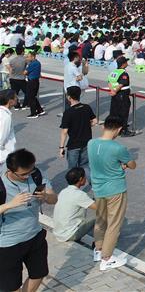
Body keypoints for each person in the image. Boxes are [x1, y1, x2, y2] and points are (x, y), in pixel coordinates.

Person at [0, 149, 57, 292]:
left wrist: (45, 196)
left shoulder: (35, 175)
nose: (27, 176)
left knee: (39, 273)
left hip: (35, 236)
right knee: (11, 286)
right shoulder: (1, 185)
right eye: (23, 174)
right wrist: (10, 204)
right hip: (8, 243)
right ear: (10, 171)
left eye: (30, 172)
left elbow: (54, 198)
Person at [88, 116, 136, 271]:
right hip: (115, 189)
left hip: (98, 188)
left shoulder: (91, 143)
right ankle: (107, 258)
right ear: (119, 129)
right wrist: (122, 166)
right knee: (114, 223)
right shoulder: (117, 148)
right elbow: (132, 165)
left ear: (104, 126)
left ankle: (98, 249)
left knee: (100, 220)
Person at [51, 167, 95, 244]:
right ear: (81, 179)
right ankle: (99, 243)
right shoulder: (79, 195)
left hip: (58, 232)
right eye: (85, 177)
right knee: (100, 216)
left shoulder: (63, 191)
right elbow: (99, 207)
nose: (86, 179)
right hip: (69, 235)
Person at [59, 86, 97, 173]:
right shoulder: (87, 107)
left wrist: (61, 147)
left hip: (74, 145)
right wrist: (86, 125)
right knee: (85, 166)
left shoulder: (68, 112)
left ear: (69, 97)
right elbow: (95, 121)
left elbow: (64, 131)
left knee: (72, 169)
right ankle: (93, 184)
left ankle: (73, 185)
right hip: (86, 143)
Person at [108, 56, 136, 137]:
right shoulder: (124, 73)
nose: (127, 63)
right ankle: (123, 130)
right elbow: (121, 84)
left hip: (115, 95)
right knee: (123, 113)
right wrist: (115, 91)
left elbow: (109, 82)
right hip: (122, 95)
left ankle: (115, 128)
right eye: (126, 62)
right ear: (123, 64)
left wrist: (112, 91)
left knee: (115, 112)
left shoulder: (114, 72)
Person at [23, 51, 44, 118]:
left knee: (30, 97)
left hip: (32, 82)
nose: (27, 58)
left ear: (33, 56)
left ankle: (33, 113)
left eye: (28, 57)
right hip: (35, 81)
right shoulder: (37, 63)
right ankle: (40, 110)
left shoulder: (33, 64)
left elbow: (25, 72)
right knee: (33, 96)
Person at [7, 46, 27, 110]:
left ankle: (16, 106)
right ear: (22, 52)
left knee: (15, 93)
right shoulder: (25, 60)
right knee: (27, 92)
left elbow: (11, 70)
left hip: (13, 78)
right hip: (21, 78)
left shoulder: (12, 60)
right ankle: (25, 104)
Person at [0, 90, 17, 163]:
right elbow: (1, 138)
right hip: (4, 157)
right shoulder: (6, 117)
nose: (17, 98)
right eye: (15, 97)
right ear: (10, 101)